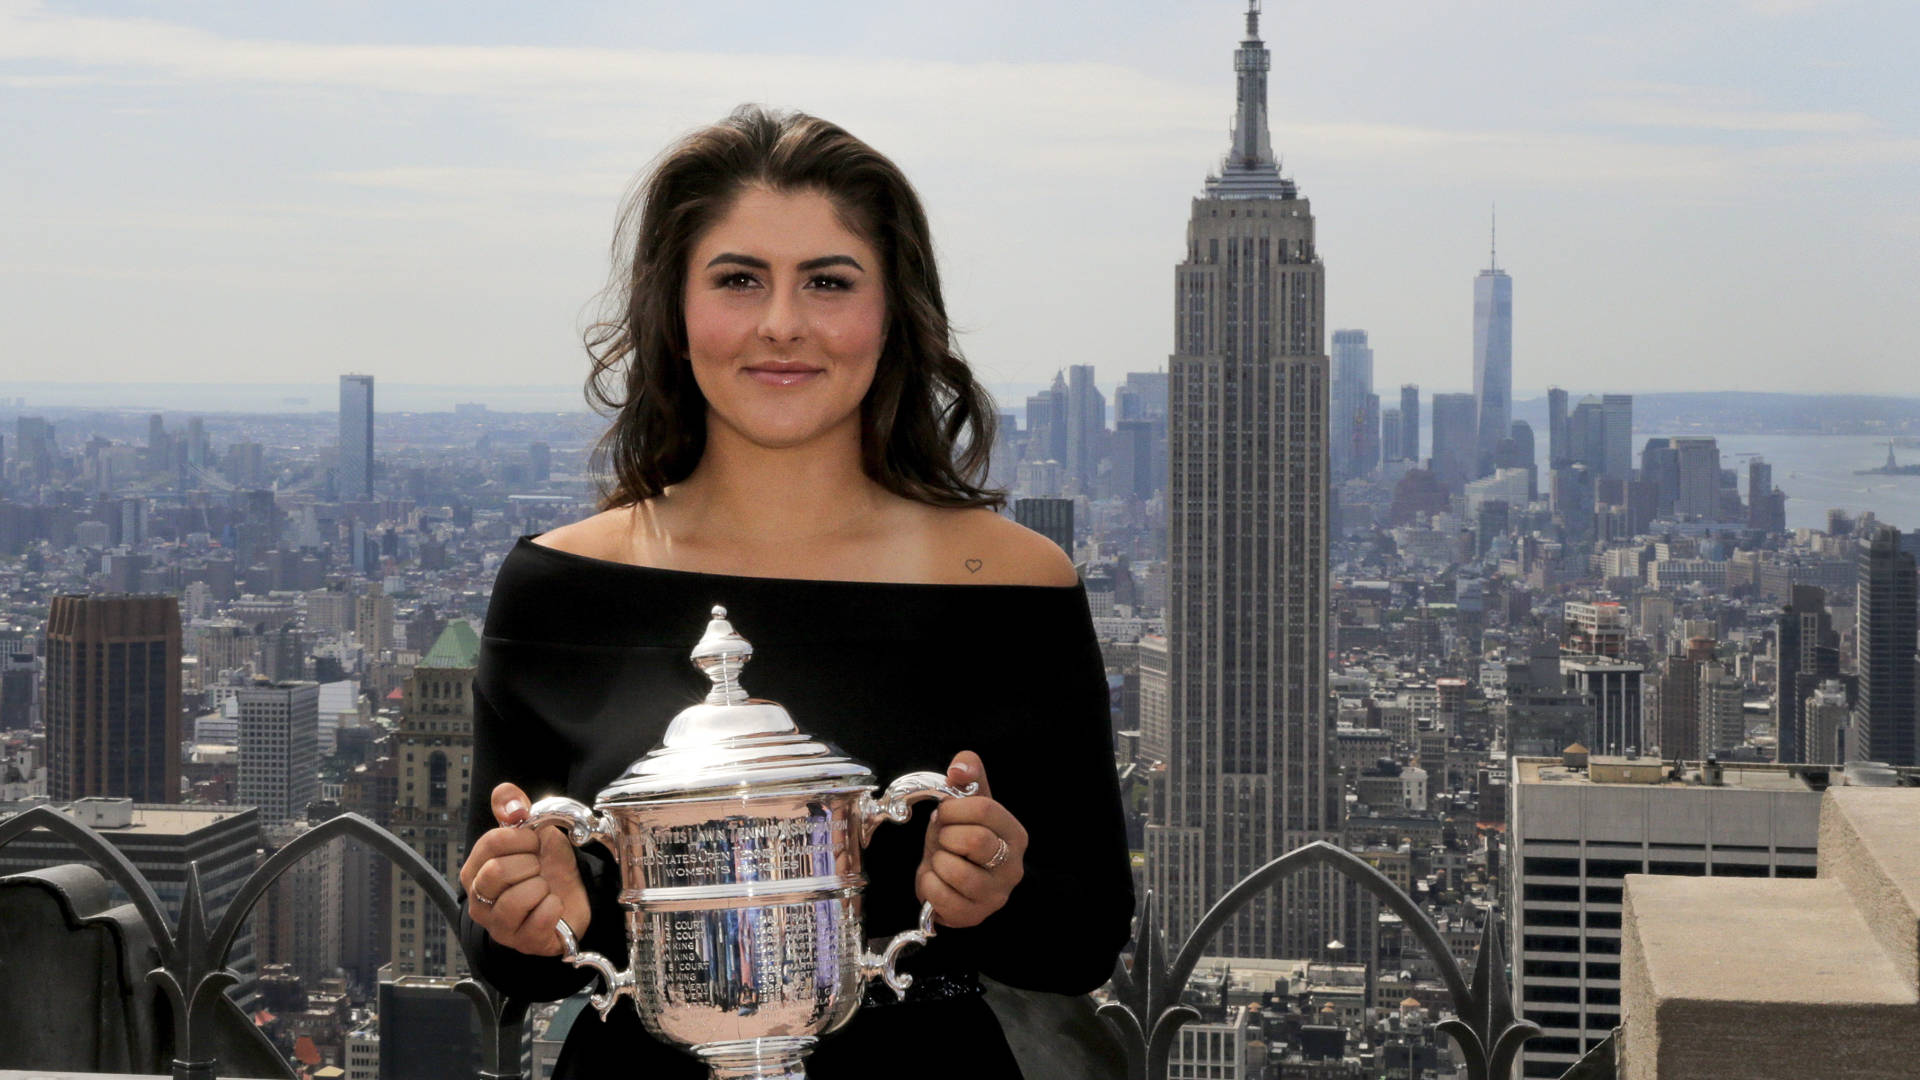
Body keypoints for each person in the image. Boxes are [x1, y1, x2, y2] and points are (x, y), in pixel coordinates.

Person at [454, 105, 1135, 1079]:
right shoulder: (561, 589)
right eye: (739, 280)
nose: (782, 323)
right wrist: (530, 908)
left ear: (891, 312)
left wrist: (995, 887)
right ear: (675, 314)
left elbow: (1079, 945)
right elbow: (505, 954)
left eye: (827, 281)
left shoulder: (1012, 587)